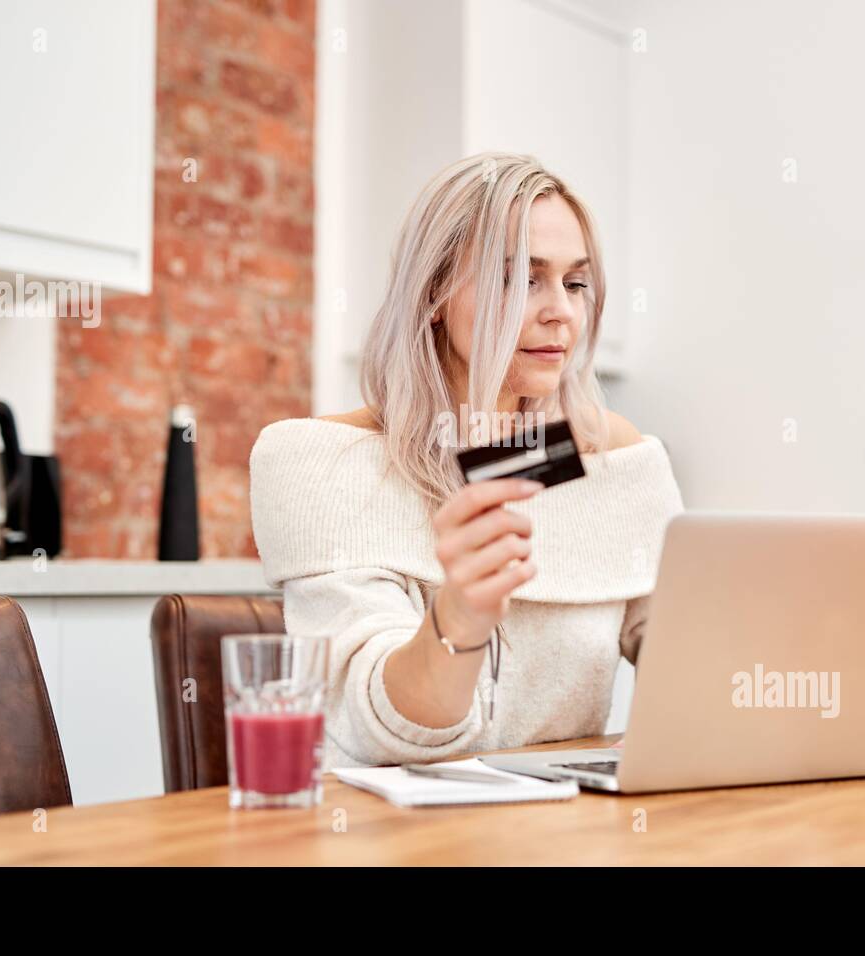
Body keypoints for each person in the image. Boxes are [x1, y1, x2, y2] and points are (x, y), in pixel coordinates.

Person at [250, 152, 684, 769]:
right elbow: (379, 736)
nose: (560, 309)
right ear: (434, 294)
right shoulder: (324, 462)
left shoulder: (607, 456)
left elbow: (689, 658)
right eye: (520, 279)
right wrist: (460, 615)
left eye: (575, 282)